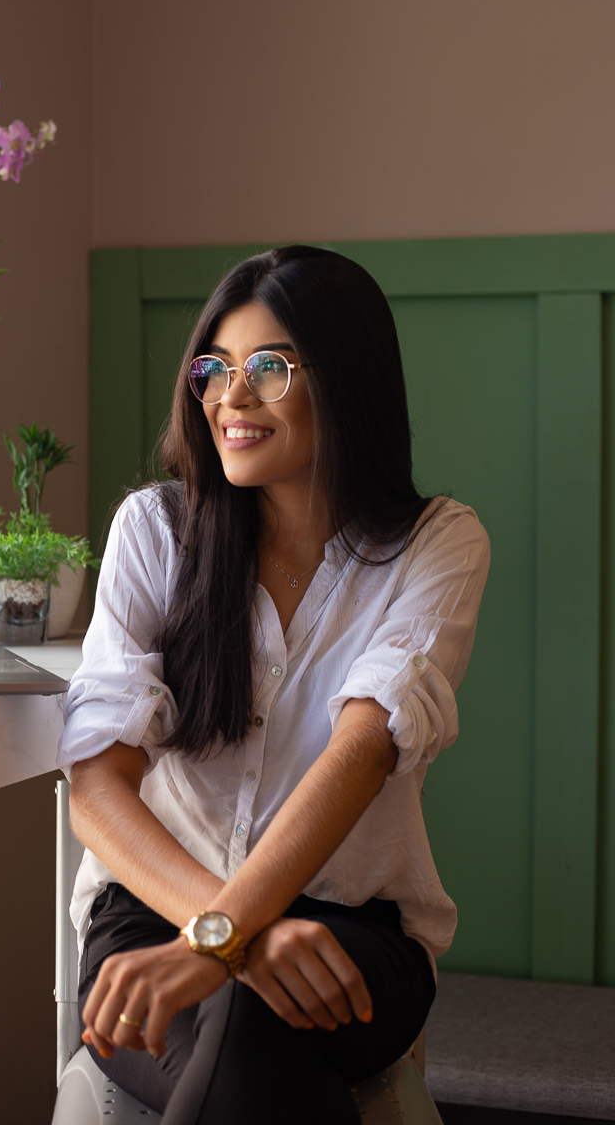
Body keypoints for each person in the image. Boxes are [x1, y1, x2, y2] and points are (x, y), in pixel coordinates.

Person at [57, 244, 490, 1125]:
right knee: (250, 1050)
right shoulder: (155, 531)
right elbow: (97, 787)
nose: (230, 397)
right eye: (213, 369)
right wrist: (228, 935)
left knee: (247, 1039)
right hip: (152, 917)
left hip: (353, 927)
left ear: (349, 381)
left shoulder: (436, 544)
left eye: (268, 368)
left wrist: (223, 941)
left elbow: (365, 748)